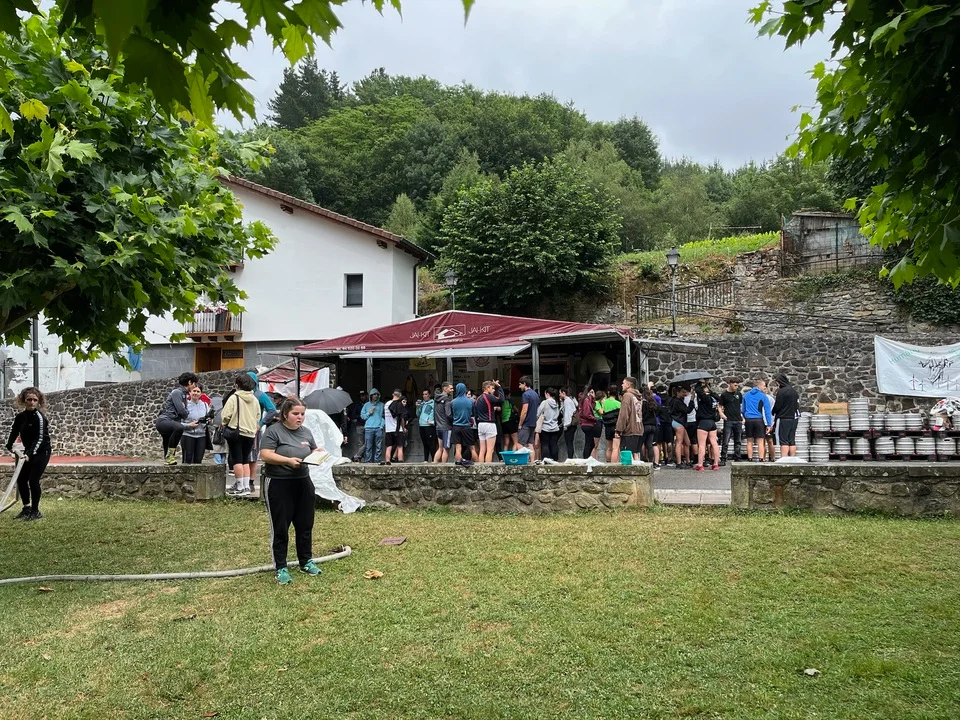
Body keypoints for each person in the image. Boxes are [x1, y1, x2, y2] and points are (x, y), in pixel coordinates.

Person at [259, 397, 323, 585]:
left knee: (305, 524)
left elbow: (311, 450)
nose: (300, 417)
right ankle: (281, 567)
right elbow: (265, 455)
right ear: (285, 414)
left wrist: (318, 452)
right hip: (279, 483)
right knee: (280, 526)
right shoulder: (273, 431)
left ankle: (306, 561)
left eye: (302, 414)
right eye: (296, 413)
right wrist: (287, 461)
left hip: (303, 481)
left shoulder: (306, 432)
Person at [5, 387, 51, 520]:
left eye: (35, 400)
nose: (32, 402)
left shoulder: (40, 418)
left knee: (33, 480)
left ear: (38, 402)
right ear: (23, 401)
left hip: (42, 451)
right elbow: (14, 431)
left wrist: (29, 454)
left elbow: (40, 439)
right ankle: (26, 508)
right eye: (29, 399)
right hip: (28, 451)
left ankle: (35, 512)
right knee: (21, 479)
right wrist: (9, 445)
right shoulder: (20, 417)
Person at [221, 373, 261, 496]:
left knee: (237, 459)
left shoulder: (234, 398)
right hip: (250, 433)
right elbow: (258, 416)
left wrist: (225, 423)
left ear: (237, 385)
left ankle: (239, 487)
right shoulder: (255, 399)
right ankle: (246, 486)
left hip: (236, 432)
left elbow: (226, 415)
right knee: (245, 460)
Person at [155, 371, 198, 465]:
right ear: (189, 382)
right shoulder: (177, 392)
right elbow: (183, 412)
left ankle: (168, 459)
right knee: (179, 428)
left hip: (172, 421)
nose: (195, 386)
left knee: (168, 440)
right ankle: (169, 456)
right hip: (164, 421)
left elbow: (184, 412)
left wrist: (184, 410)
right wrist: (184, 409)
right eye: (194, 384)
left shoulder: (184, 395)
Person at [246, 371, 278, 495]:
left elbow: (272, 410)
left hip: (254, 430)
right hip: (240, 430)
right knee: (241, 457)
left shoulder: (260, 395)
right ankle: (242, 482)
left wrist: (260, 424)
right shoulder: (239, 394)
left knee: (252, 457)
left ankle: (250, 482)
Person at [742, 379, 773, 462]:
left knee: (749, 440)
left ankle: (750, 458)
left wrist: (746, 417)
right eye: (764, 386)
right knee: (760, 440)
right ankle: (761, 458)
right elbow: (767, 411)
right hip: (758, 420)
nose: (765, 387)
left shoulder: (746, 395)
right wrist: (769, 424)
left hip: (748, 420)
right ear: (759, 386)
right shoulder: (763, 396)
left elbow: (743, 410)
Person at [693, 380, 721, 472]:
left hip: (703, 422)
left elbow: (697, 390)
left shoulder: (705, 397)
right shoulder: (714, 397)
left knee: (702, 445)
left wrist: (699, 383)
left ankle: (700, 465)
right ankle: (715, 464)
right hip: (712, 422)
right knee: (714, 443)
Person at [474, 380, 505, 463]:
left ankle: (480, 467)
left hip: (480, 424)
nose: (493, 390)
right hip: (489, 423)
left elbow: (475, 414)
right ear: (487, 388)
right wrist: (499, 387)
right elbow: (501, 399)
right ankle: (487, 467)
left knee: (482, 449)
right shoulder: (488, 396)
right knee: (490, 450)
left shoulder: (478, 399)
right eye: (492, 388)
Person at [181, 385, 212, 464]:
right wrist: (188, 425)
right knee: (188, 461)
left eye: (198, 391)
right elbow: (178, 422)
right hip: (187, 435)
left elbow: (210, 421)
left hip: (201, 436)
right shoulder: (184, 405)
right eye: (194, 391)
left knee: (198, 461)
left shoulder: (205, 405)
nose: (196, 393)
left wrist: (209, 420)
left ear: (201, 393)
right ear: (190, 392)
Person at [772, 373, 801, 457]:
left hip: (784, 417)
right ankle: (792, 458)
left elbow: (778, 405)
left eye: (777, 382)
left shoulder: (782, 392)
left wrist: (773, 411)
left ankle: (784, 459)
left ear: (779, 382)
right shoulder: (793, 391)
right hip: (794, 417)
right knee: (791, 440)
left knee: (784, 440)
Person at [615, 377, 642, 461]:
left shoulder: (627, 396)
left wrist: (619, 429)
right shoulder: (638, 397)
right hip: (639, 429)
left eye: (623, 383)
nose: (622, 385)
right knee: (636, 454)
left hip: (630, 430)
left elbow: (624, 414)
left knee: (626, 458)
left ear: (628, 385)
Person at [718, 378, 744, 465]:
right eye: (735, 385)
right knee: (726, 440)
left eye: (737, 385)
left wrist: (742, 416)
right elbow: (720, 406)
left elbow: (740, 405)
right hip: (728, 420)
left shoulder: (739, 394)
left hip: (738, 419)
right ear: (730, 384)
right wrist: (721, 414)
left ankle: (737, 457)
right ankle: (723, 458)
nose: (736, 386)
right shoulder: (724, 395)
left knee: (738, 440)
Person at [450, 383, 475, 466]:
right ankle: (479, 465)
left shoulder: (453, 402)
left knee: (458, 448)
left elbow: (451, 414)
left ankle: (459, 464)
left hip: (456, 426)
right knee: (472, 448)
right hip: (467, 426)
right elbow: (473, 413)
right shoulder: (471, 401)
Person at [668, 386, 691, 468]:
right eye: (683, 392)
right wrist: (691, 402)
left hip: (678, 422)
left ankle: (687, 461)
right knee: (679, 442)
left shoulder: (674, 400)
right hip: (679, 422)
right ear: (678, 393)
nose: (685, 394)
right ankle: (679, 462)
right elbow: (687, 410)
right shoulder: (677, 402)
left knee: (687, 442)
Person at [360, 388, 385, 463]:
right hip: (368, 428)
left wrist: (382, 425)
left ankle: (377, 461)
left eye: (377, 394)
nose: (376, 396)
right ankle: (368, 461)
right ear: (371, 396)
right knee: (368, 447)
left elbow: (384, 416)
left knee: (379, 446)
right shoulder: (366, 405)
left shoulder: (382, 405)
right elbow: (362, 416)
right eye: (374, 394)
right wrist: (369, 413)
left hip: (378, 428)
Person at [536, 387, 562, 461]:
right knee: (554, 444)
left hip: (545, 427)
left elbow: (538, 413)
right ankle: (555, 460)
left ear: (547, 394)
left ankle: (546, 460)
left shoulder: (544, 402)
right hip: (555, 427)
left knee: (545, 445)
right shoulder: (557, 402)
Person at [517, 376, 540, 451]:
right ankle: (532, 459)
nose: (519, 387)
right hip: (533, 423)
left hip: (526, 423)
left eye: (520, 384)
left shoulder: (525, 394)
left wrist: (520, 424)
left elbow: (524, 410)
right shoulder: (535, 394)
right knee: (530, 444)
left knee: (520, 444)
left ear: (524, 384)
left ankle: (522, 459)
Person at [433, 383, 454, 463]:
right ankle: (444, 467)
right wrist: (453, 420)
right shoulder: (447, 399)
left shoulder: (436, 399)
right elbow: (448, 414)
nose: (452, 390)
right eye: (450, 388)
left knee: (440, 448)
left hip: (438, 427)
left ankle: (434, 465)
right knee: (446, 449)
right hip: (446, 427)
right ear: (445, 389)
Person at [383, 389, 405, 465]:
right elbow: (402, 418)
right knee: (400, 447)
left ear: (393, 394)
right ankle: (400, 463)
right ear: (400, 396)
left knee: (388, 447)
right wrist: (403, 427)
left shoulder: (386, 404)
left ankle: (387, 461)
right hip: (398, 429)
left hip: (388, 429)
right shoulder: (399, 404)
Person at [578, 385, 601, 459]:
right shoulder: (586, 400)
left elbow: (592, 406)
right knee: (589, 443)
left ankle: (586, 458)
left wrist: (593, 398)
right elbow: (587, 414)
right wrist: (595, 419)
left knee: (590, 443)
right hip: (588, 423)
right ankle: (586, 459)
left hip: (585, 423)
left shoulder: (585, 399)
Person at [600, 388, 622, 462]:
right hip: (616, 426)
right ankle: (614, 464)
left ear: (608, 392)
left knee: (609, 447)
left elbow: (603, 412)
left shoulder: (604, 402)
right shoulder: (619, 403)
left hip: (607, 426)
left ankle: (608, 462)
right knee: (616, 448)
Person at [416, 389, 437, 462]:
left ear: (429, 395)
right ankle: (426, 459)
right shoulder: (422, 403)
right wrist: (417, 407)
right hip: (422, 425)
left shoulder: (433, 403)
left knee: (431, 443)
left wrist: (433, 422)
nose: (424, 396)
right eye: (423, 394)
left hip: (429, 426)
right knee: (425, 443)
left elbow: (437, 414)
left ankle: (434, 459)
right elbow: (418, 414)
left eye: (426, 394)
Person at [559, 386, 579, 460]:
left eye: (560, 393)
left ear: (563, 393)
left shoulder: (567, 401)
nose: (559, 395)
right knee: (569, 442)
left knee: (569, 442)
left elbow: (568, 414)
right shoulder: (570, 400)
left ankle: (570, 458)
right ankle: (570, 457)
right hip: (572, 424)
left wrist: (565, 425)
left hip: (569, 425)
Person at [349, 390, 368, 462]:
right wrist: (361, 416)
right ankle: (360, 458)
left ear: (366, 396)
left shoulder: (369, 404)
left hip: (368, 425)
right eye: (361, 396)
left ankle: (358, 456)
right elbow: (353, 415)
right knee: (361, 443)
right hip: (360, 425)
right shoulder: (357, 405)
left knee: (367, 442)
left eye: (363, 395)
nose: (362, 397)